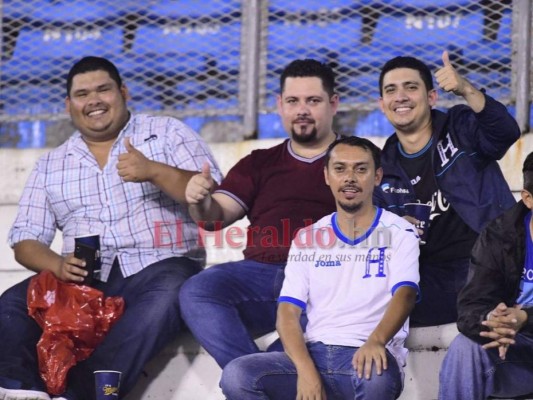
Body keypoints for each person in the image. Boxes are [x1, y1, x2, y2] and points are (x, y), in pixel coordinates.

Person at [0, 56, 222, 400]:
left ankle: (81, 395)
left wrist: (153, 171)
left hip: (160, 265)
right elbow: (25, 238)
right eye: (82, 94)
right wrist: (58, 265)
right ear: (68, 104)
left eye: (104, 89)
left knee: (168, 297)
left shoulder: (165, 132)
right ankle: (23, 391)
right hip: (86, 279)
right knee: (13, 304)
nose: (94, 101)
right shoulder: (52, 164)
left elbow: (211, 200)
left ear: (123, 91)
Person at [220, 136, 420, 400]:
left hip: (367, 353)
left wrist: (377, 341)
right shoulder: (308, 237)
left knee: (377, 378)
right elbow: (288, 313)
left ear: (377, 176)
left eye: (361, 169)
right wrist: (306, 372)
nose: (350, 177)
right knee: (238, 375)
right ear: (326, 175)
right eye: (340, 169)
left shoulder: (400, 231)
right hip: (314, 353)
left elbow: (405, 294)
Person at [180, 59, 339, 368]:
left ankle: (256, 379)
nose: (302, 110)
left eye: (313, 100)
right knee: (198, 290)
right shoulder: (259, 163)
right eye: (293, 101)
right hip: (259, 275)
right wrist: (198, 199)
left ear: (333, 103)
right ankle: (253, 375)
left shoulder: (356, 160)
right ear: (279, 105)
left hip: (324, 277)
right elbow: (214, 218)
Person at [373, 51, 520, 326]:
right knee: (368, 308)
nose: (401, 96)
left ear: (431, 97)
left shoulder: (459, 127)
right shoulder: (383, 166)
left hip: (490, 263)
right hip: (428, 277)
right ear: (382, 104)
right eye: (391, 90)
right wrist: (392, 228)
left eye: (411, 87)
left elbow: (505, 132)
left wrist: (465, 88)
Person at [438, 152, 533, 400]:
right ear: (528, 198)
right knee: (465, 348)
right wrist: (493, 321)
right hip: (517, 354)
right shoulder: (500, 235)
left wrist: (524, 317)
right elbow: (470, 307)